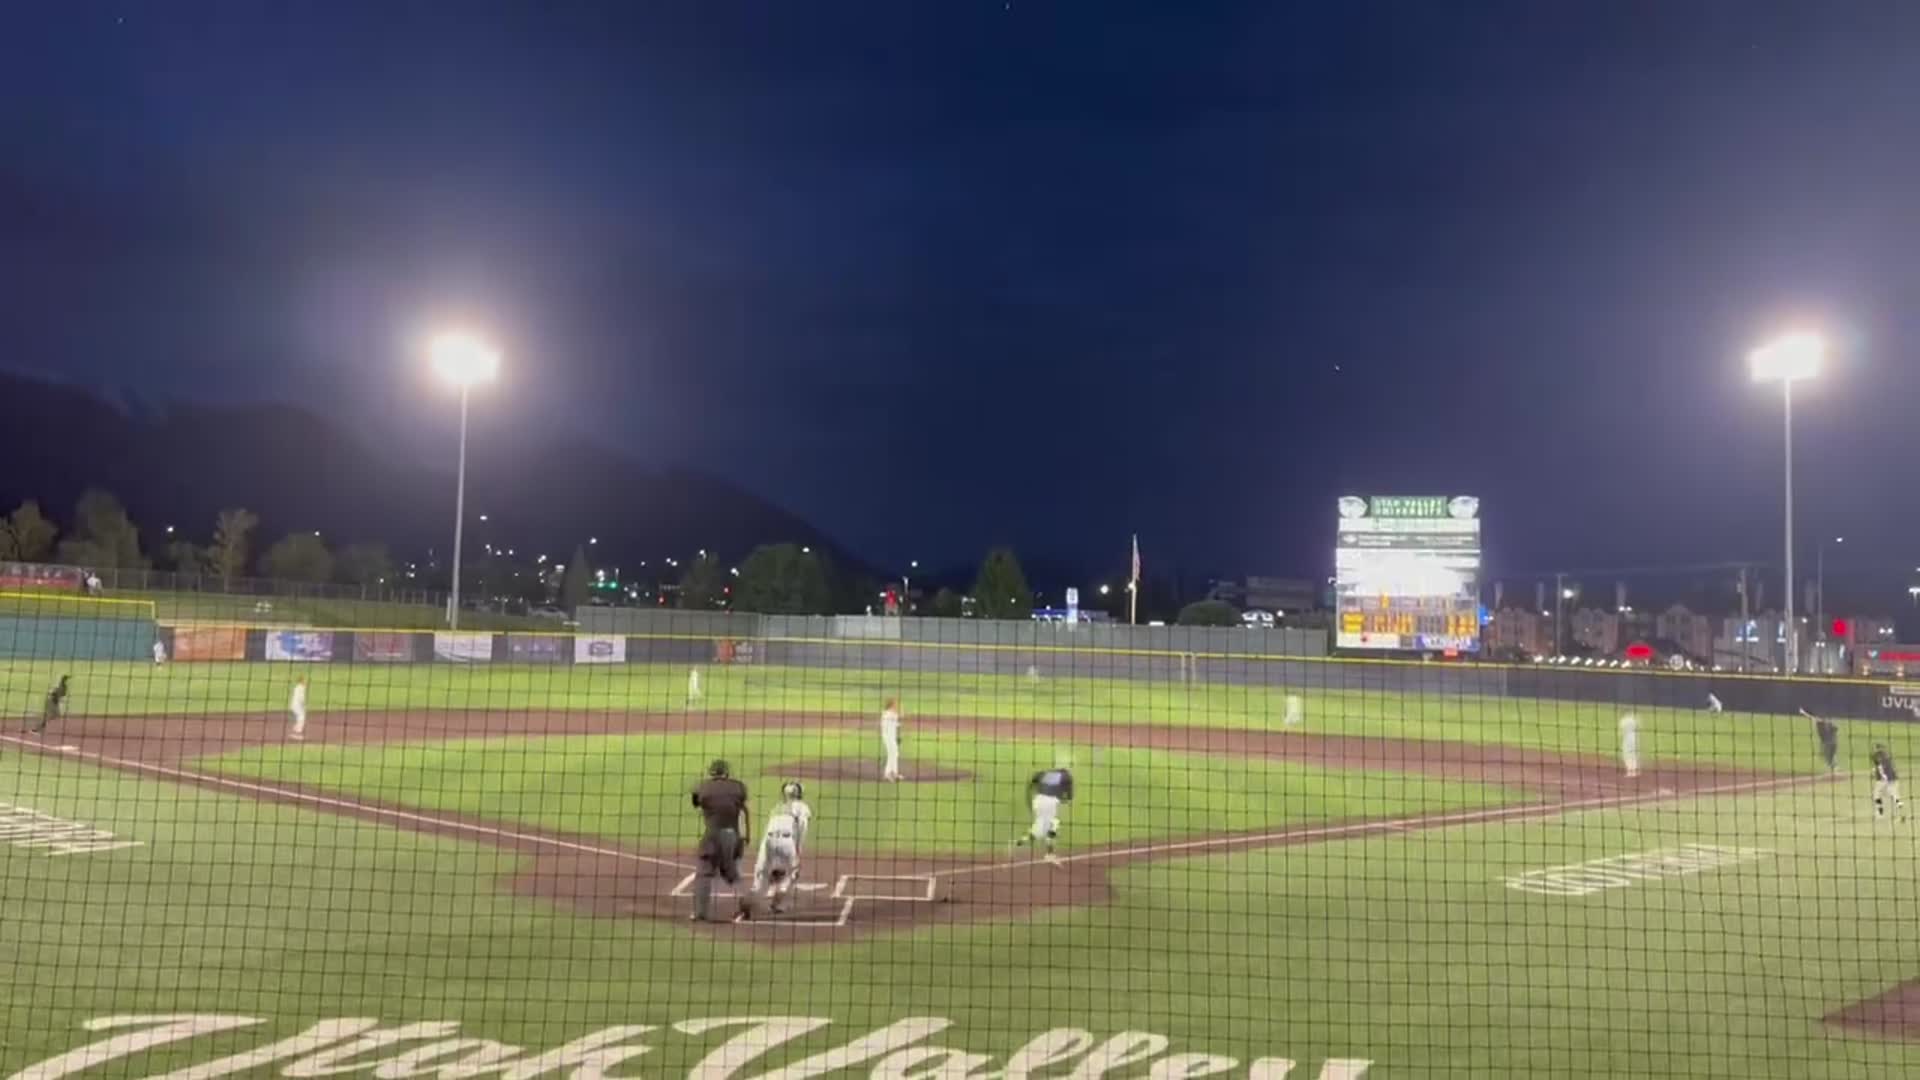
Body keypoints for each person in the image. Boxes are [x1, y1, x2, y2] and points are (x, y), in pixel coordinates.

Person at [689, 759, 752, 923]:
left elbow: (696, 802)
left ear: (711, 773)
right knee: (732, 875)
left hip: (712, 836)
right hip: (733, 836)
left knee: (704, 873)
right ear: (727, 773)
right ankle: (746, 904)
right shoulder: (738, 786)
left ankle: (700, 913)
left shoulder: (703, 786)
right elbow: (743, 808)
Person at [751, 780, 815, 915]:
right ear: (799, 793)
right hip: (787, 841)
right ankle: (776, 903)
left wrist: (763, 855)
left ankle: (751, 900)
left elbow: (769, 827)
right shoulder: (802, 807)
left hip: (768, 840)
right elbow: (802, 829)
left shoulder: (777, 807)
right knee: (792, 872)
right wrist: (798, 851)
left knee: (761, 872)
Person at [1015, 759, 1074, 864]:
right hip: (1049, 803)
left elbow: (1032, 783)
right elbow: (1069, 797)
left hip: (1037, 801)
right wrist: (1063, 799)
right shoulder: (1067, 777)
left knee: (1041, 826)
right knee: (1053, 826)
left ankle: (1021, 841)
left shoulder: (1047, 773)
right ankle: (1049, 855)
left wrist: (1029, 802)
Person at [1870, 743, 1905, 820]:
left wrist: (1879, 774)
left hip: (1884, 780)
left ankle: (1880, 813)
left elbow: (1880, 768)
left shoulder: (1876, 756)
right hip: (1893, 778)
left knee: (1877, 795)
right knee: (1894, 795)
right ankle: (1901, 810)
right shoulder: (1887, 756)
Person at [1801, 709, 1838, 774]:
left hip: (1828, 742)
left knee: (1827, 756)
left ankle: (1833, 768)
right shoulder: (1828, 723)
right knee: (1829, 755)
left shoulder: (1822, 722)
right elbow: (1835, 728)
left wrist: (1803, 712)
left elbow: (1812, 718)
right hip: (1831, 742)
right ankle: (1834, 767)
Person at [880, 698, 903, 782]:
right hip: (888, 738)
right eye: (895, 704)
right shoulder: (889, 714)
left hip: (890, 737)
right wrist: (900, 709)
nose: (896, 705)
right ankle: (889, 774)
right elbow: (900, 715)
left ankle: (893, 773)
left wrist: (897, 737)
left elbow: (896, 725)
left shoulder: (888, 713)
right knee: (892, 754)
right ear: (891, 705)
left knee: (894, 754)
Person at [1618, 713, 1640, 779]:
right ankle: (1635, 770)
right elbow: (1638, 727)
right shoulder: (1633, 719)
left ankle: (1630, 772)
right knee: (1634, 753)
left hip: (1627, 738)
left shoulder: (1622, 721)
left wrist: (1620, 736)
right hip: (1635, 737)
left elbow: (1622, 732)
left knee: (1626, 754)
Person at [288, 676, 309, 741]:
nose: (306, 682)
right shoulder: (301, 687)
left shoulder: (297, 687)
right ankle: (297, 734)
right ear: (301, 681)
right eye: (304, 680)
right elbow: (301, 698)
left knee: (300, 718)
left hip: (294, 705)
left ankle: (295, 731)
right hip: (297, 705)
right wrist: (304, 705)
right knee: (302, 717)